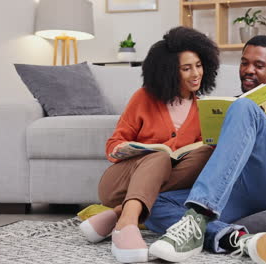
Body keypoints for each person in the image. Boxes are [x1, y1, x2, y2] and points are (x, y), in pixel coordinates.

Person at [145, 35, 266, 264]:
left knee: (244, 107)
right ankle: (235, 239)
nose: (248, 70)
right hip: (241, 189)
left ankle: (198, 216)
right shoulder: (230, 107)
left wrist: (259, 129)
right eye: (244, 63)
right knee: (154, 204)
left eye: (258, 65)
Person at [78, 26, 219, 263]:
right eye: (186, 68)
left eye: (198, 65)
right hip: (121, 182)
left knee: (206, 152)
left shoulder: (201, 109)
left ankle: (119, 214)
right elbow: (114, 143)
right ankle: (126, 225)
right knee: (159, 156)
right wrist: (127, 148)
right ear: (169, 72)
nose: (196, 73)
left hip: (159, 186)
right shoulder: (144, 98)